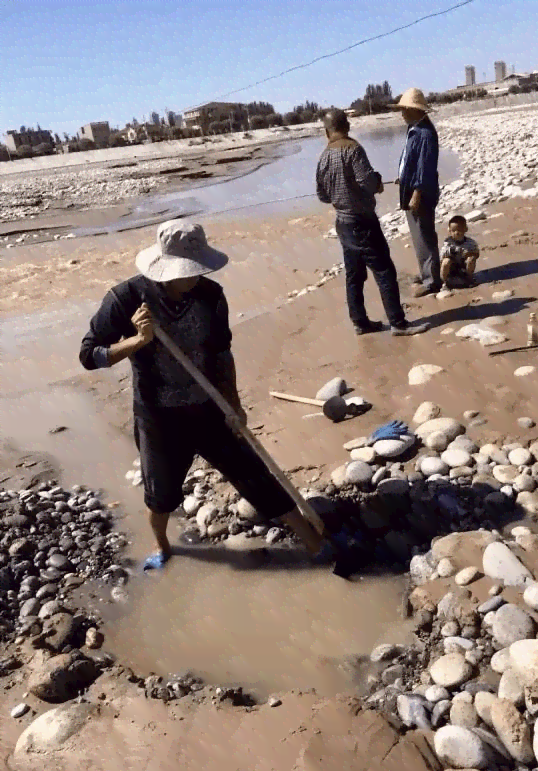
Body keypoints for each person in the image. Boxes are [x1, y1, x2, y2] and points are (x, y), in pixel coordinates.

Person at [79, 219, 327, 571]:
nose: (196, 277)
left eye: (198, 270)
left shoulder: (210, 296)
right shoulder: (126, 299)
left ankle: (315, 544)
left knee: (255, 474)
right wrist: (136, 341)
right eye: (189, 271)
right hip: (158, 417)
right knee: (161, 495)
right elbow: (89, 356)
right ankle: (163, 544)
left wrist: (234, 404)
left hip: (210, 407)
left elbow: (222, 352)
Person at [316, 108, 428, 336]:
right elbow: (366, 181)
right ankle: (398, 323)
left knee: (354, 275)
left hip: (343, 223)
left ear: (327, 132)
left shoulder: (323, 157)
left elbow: (322, 195)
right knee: (384, 271)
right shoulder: (353, 148)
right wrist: (377, 181)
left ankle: (360, 322)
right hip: (362, 223)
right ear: (346, 126)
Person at [392, 88, 442, 297]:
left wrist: (416, 192)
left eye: (405, 109)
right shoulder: (414, 129)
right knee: (417, 235)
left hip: (421, 192)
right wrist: (402, 177)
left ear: (416, 110)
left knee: (425, 235)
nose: (402, 114)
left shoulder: (425, 134)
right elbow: (411, 161)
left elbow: (425, 167)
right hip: (411, 188)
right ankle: (425, 273)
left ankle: (432, 281)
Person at [440, 215, 480, 291]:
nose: (457, 233)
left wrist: (470, 254)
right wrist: (450, 252)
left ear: (465, 229)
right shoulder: (448, 242)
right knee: (446, 262)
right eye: (453, 231)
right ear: (449, 231)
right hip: (452, 266)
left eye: (459, 230)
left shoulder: (470, 242)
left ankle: (469, 278)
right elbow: (441, 256)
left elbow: (476, 253)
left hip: (463, 266)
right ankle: (444, 282)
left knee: (471, 259)